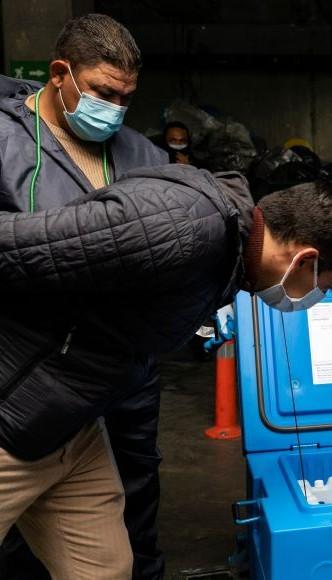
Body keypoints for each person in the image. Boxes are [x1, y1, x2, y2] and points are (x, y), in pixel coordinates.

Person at [0, 163, 332, 579]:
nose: (319, 299)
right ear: (305, 259)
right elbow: (15, 246)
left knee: (104, 570)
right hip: (12, 412)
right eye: (328, 287)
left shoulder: (229, 253)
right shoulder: (179, 224)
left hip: (71, 422)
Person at [0, 14, 171, 579]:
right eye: (102, 93)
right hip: (27, 377)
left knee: (132, 494)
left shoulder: (145, 157)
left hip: (124, 371)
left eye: (125, 98)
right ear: (60, 74)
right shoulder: (5, 145)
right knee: (25, 521)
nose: (115, 109)